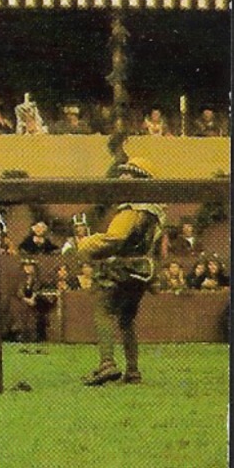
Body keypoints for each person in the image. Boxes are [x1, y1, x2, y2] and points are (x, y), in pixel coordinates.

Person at [69, 155, 165, 385]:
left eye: (128, 174)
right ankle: (132, 371)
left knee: (103, 310)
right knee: (127, 318)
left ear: (138, 179)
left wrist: (85, 245)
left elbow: (115, 238)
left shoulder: (131, 210)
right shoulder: (156, 212)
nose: (122, 178)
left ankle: (107, 364)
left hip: (123, 268)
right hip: (143, 271)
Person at [18, 258, 59, 342]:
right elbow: (19, 292)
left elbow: (37, 290)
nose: (28, 268)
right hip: (25, 301)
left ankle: (40, 334)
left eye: (30, 266)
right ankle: (23, 334)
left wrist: (33, 299)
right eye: (26, 266)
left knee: (40, 307)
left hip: (38, 301)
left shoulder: (38, 279)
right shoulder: (21, 279)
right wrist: (27, 300)